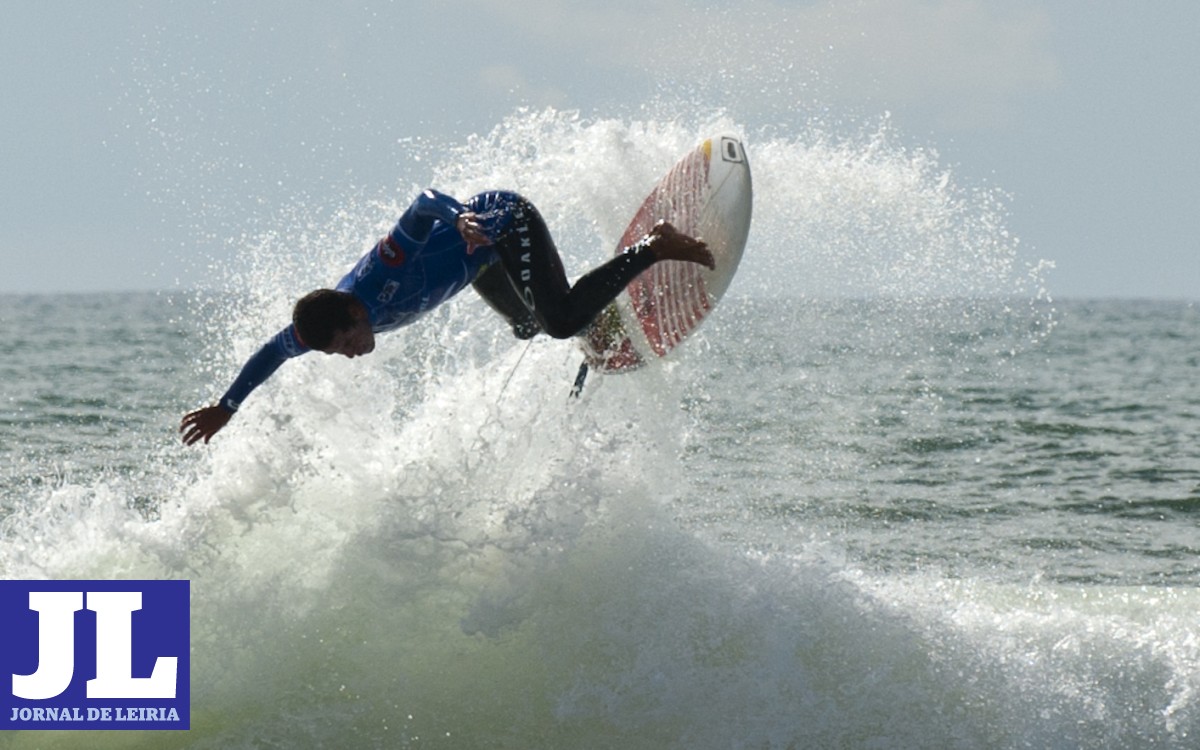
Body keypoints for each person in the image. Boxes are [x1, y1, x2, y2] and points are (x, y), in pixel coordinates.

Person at [180, 188, 713, 445]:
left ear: (351, 313)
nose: (349, 354)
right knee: (530, 324)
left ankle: (654, 246)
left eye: (346, 343)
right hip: (479, 268)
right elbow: (274, 352)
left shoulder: (378, 274)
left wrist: (460, 219)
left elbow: (423, 202)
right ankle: (595, 315)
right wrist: (228, 407)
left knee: (559, 323)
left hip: (499, 225)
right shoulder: (318, 324)